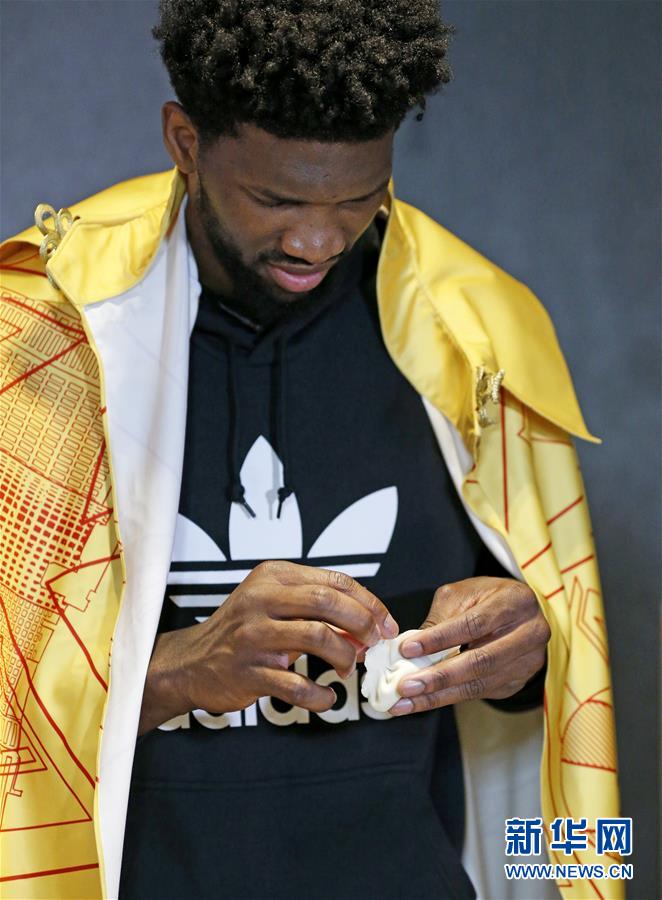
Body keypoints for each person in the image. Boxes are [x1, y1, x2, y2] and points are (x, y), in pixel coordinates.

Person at [0, 2, 621, 899]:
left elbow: (551, 722)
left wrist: (533, 653)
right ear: (185, 142)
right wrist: (173, 671)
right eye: (277, 200)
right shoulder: (45, 341)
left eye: (359, 199)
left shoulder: (478, 336)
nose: (318, 240)